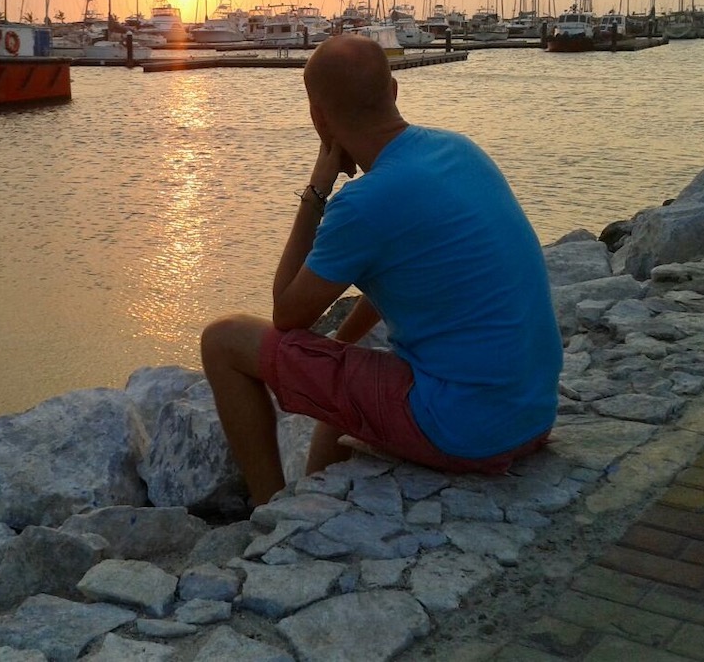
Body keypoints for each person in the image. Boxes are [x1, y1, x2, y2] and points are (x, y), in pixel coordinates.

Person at [201, 33, 562, 505]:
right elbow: (403, 271)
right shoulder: (459, 150)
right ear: (394, 92)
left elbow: (287, 314)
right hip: (531, 415)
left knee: (224, 338)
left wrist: (316, 190)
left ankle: (267, 507)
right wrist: (340, 346)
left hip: (465, 431)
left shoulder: (364, 203)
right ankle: (307, 509)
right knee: (346, 392)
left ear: (318, 118)